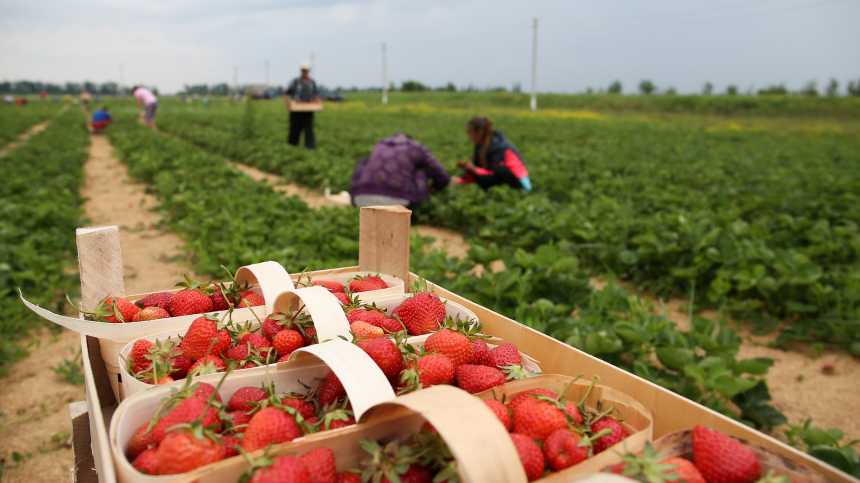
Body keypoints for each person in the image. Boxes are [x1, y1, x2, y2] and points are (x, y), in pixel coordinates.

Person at [349, 133, 451, 210]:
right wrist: (433, 188)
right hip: (398, 203)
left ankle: (353, 199)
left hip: (361, 200)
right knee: (421, 168)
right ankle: (413, 214)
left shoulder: (380, 145)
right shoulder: (416, 148)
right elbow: (442, 177)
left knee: (364, 160)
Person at [456, 116, 532, 191]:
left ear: (480, 133)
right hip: (500, 180)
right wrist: (460, 178)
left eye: (470, 134)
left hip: (521, 185)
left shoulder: (499, 147)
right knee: (476, 174)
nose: (469, 138)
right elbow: (477, 166)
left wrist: (475, 170)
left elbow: (495, 174)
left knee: (499, 172)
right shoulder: (479, 146)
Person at [284, 61, 320, 149]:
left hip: (308, 111)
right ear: (301, 71)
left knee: (309, 130)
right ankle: (292, 148)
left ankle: (310, 149)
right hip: (296, 110)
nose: (304, 71)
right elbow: (286, 93)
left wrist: (318, 102)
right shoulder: (295, 82)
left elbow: (315, 95)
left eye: (306, 70)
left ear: (309, 71)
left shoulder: (312, 82)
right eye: (303, 70)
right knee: (294, 130)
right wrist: (288, 103)